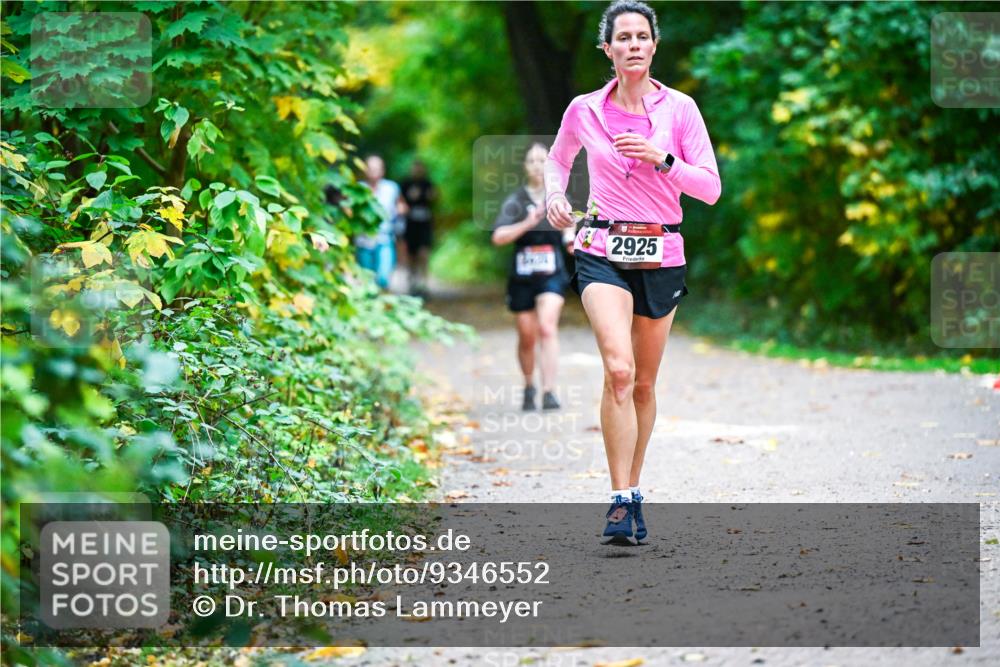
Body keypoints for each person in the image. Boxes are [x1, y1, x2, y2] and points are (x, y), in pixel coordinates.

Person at [544, 1, 721, 544]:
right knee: (618, 371)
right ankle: (619, 500)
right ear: (608, 49)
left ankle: (635, 487)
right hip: (601, 247)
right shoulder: (584, 109)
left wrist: (661, 158)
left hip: (661, 251)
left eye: (642, 36)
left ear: (654, 45)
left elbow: (710, 188)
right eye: (623, 37)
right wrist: (555, 195)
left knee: (643, 383)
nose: (634, 45)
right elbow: (557, 159)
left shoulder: (681, 110)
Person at [492, 143, 575, 412]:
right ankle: (529, 385)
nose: (537, 166)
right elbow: (498, 237)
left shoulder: (558, 196)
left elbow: (570, 225)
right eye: (532, 161)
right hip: (522, 276)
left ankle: (549, 391)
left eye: (543, 160)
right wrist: (528, 222)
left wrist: (570, 239)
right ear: (525, 166)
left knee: (547, 327)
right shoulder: (515, 201)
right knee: (527, 336)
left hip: (552, 273)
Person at [356, 155, 407, 289]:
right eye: (370, 168)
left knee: (383, 278)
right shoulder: (358, 188)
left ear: (383, 170)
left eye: (376, 168)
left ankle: (381, 297)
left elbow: (402, 205)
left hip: (384, 238)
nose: (373, 172)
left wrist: (400, 210)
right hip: (363, 239)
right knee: (366, 279)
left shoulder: (392, 188)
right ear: (365, 170)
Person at [400, 159, 437, 297]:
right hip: (410, 225)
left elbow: (435, 198)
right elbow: (401, 202)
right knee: (411, 255)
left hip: (425, 225)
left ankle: (424, 284)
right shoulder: (406, 184)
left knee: (424, 253)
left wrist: (431, 196)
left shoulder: (428, 184)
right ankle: (412, 282)